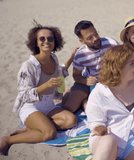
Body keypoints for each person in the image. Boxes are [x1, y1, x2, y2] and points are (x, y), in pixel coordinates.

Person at [0, 24, 77, 156]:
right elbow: (24, 95)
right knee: (49, 133)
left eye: (50, 39)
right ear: (35, 42)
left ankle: (30, 129)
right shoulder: (28, 66)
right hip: (31, 107)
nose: (46, 41)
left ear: (55, 41)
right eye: (42, 39)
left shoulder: (53, 58)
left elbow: (60, 72)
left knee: (71, 121)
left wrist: (71, 58)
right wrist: (45, 86)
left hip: (48, 104)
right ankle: (8, 140)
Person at [62, 20, 118, 113]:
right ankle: (70, 93)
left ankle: (85, 101)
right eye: (89, 38)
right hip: (88, 84)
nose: (95, 38)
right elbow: (76, 76)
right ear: (82, 41)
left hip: (109, 82)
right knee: (70, 108)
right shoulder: (80, 55)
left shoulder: (111, 44)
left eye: (96, 34)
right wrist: (86, 81)